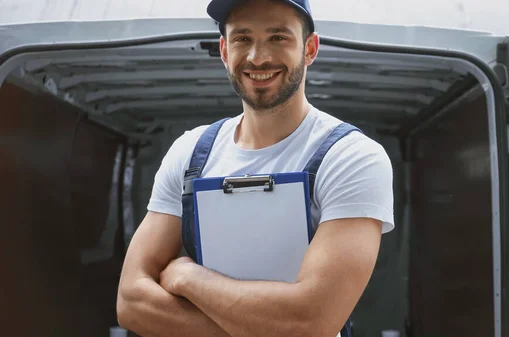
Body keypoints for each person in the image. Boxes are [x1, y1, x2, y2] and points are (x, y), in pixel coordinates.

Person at [116, 0, 395, 336]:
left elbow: (310, 322)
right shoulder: (189, 152)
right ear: (223, 50)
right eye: (242, 39)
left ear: (310, 48)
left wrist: (190, 278)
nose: (257, 57)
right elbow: (131, 302)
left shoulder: (351, 157)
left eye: (278, 38)